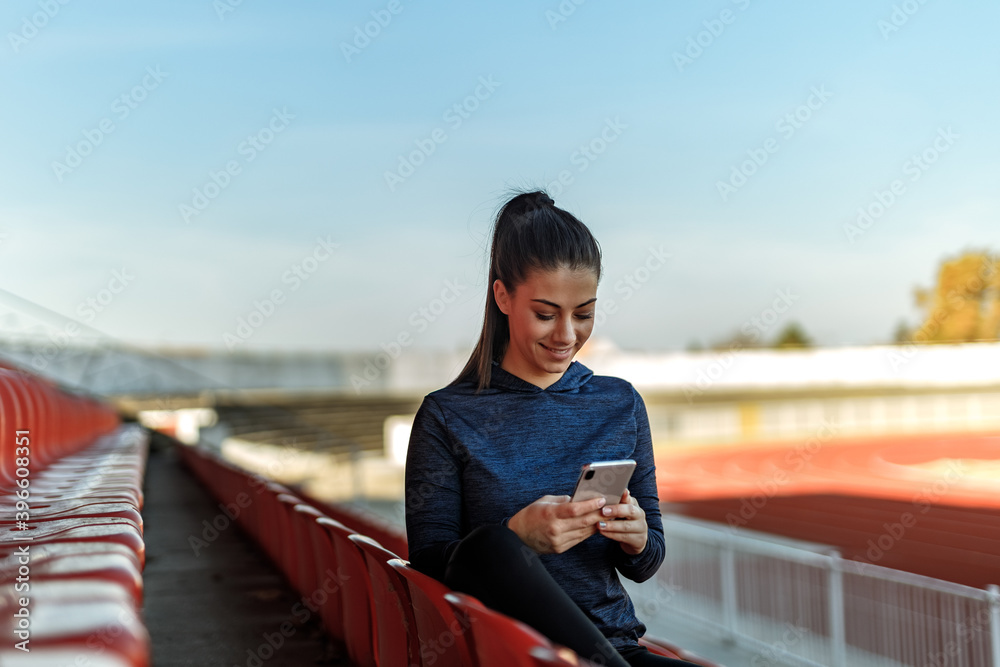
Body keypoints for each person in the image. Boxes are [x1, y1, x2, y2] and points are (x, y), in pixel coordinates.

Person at [404, 190, 690, 666]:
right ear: (502, 297)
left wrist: (638, 537)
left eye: (584, 314)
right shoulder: (445, 416)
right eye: (545, 314)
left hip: (613, 650)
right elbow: (430, 567)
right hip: (504, 655)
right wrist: (519, 538)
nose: (566, 336)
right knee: (491, 546)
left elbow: (647, 561)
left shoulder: (620, 403)